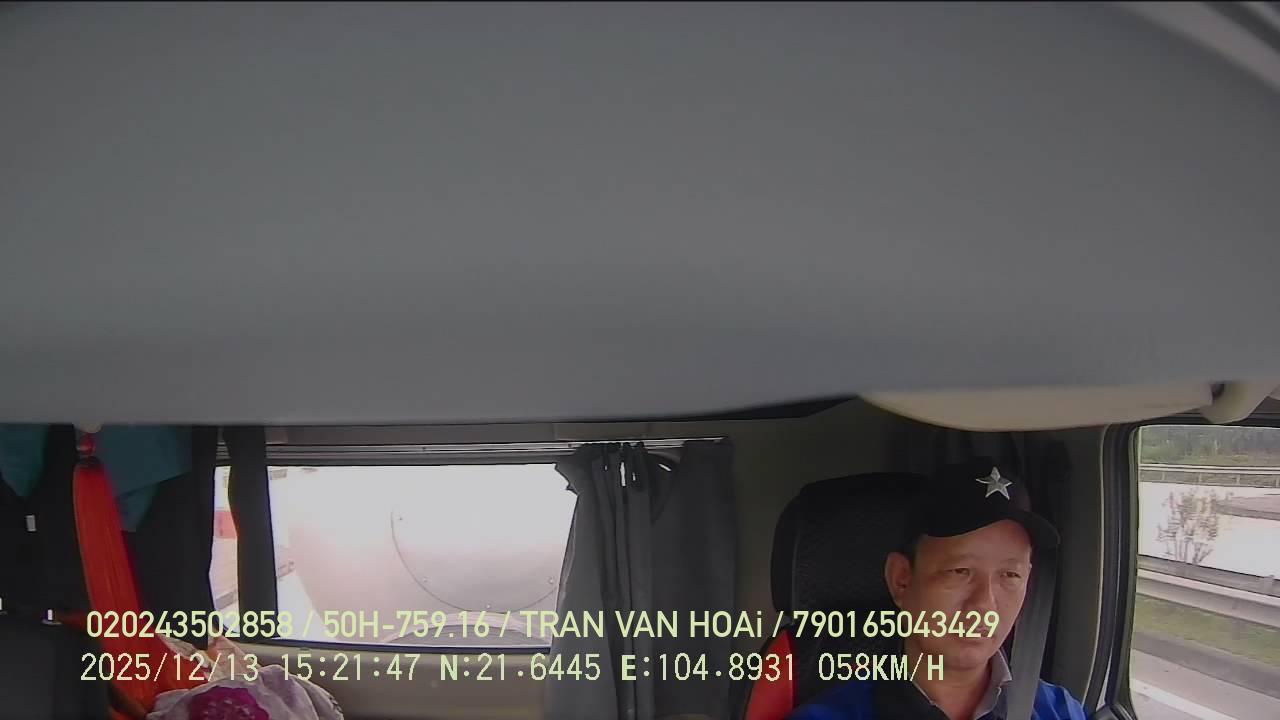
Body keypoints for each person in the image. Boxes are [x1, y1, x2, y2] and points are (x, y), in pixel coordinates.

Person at [787, 459, 1087, 720]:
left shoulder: (1059, 711)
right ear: (901, 580)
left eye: (1010, 575)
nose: (984, 604)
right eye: (960, 571)